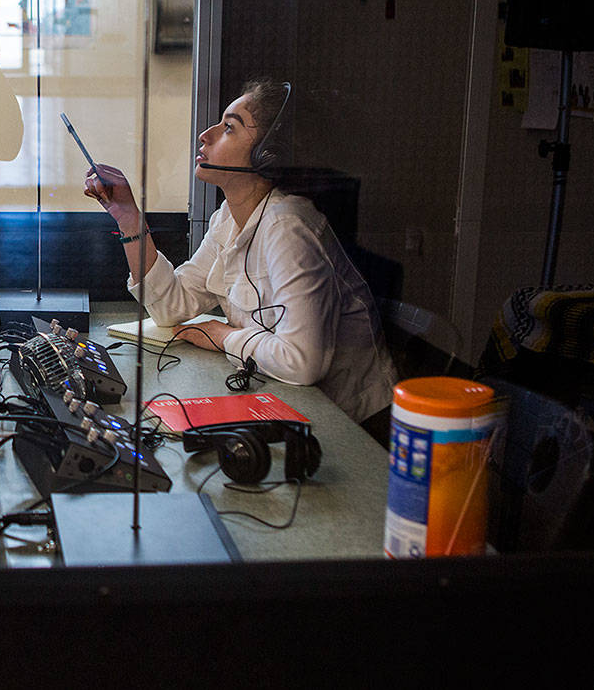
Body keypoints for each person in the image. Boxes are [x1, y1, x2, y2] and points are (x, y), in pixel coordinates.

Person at [83, 78, 396, 441]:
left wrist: (222, 335)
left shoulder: (288, 227)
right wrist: (129, 218)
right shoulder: (227, 218)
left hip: (355, 429)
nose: (206, 134)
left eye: (229, 127)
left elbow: (302, 363)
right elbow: (171, 306)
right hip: (293, 405)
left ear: (268, 154)